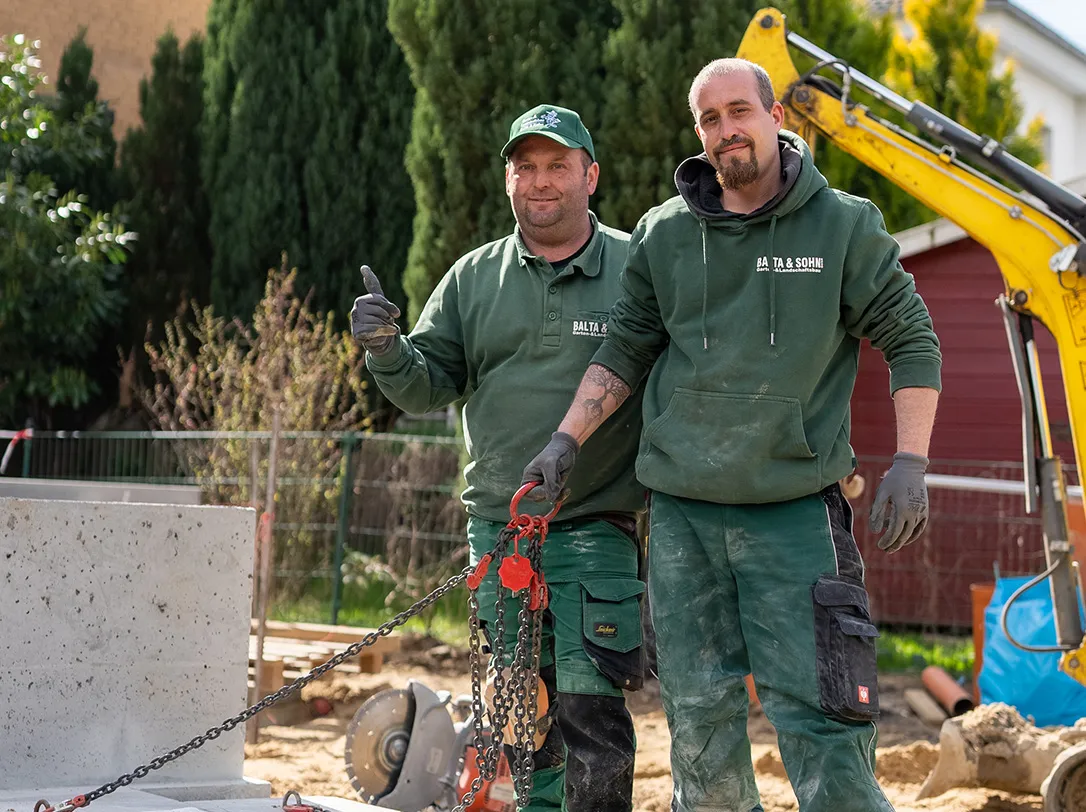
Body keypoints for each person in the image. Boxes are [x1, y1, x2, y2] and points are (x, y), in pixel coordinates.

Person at [522, 59, 941, 812]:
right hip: (684, 516)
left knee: (823, 714)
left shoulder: (844, 225)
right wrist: (566, 441)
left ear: (776, 116)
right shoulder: (664, 234)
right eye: (709, 120)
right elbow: (624, 348)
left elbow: (912, 338)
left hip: (794, 513)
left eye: (739, 112)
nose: (726, 131)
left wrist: (912, 460)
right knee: (699, 717)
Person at [350, 104, 645, 812]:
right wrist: (386, 348)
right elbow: (426, 387)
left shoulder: (636, 268)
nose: (541, 182)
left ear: (591, 175)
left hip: (596, 524)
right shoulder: (473, 278)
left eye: (558, 165)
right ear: (507, 178)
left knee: (589, 713)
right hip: (500, 531)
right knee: (523, 723)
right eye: (526, 167)